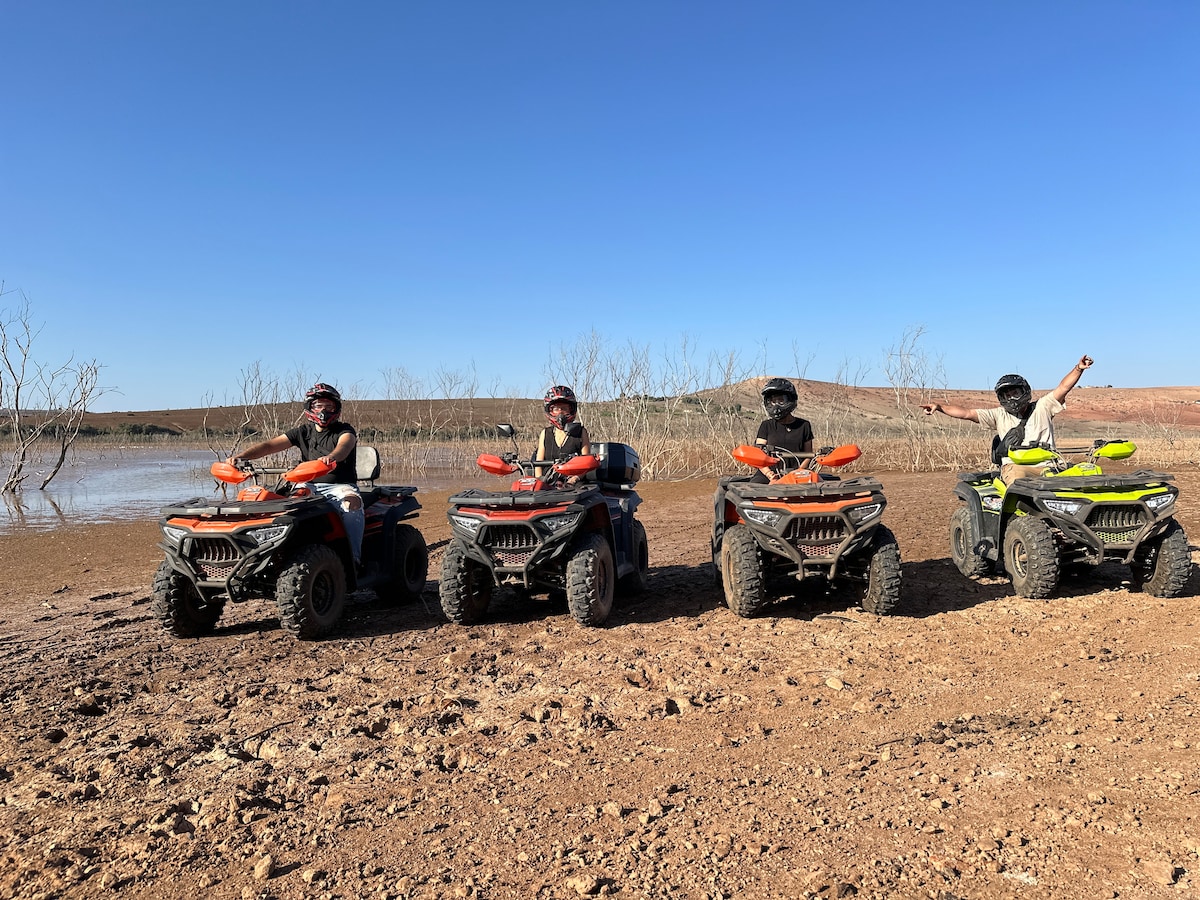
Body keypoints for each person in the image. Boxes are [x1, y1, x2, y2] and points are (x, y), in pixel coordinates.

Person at [226, 382, 365, 563]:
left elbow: (344, 446)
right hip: (306, 485)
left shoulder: (344, 430)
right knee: (275, 507)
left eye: (329, 406)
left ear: (336, 408)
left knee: (352, 504)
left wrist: (331, 457)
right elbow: (269, 446)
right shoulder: (303, 432)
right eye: (319, 405)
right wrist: (242, 457)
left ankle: (354, 559)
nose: (324, 410)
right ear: (310, 407)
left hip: (339, 486)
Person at [921, 355, 1094, 484]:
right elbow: (966, 413)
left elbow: (1063, 387)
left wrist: (1078, 369)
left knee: (1089, 475)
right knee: (1019, 483)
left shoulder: (1043, 406)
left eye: (1015, 393)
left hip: (1051, 466)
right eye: (1007, 395)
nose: (1012, 398)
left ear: (1024, 391)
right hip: (1017, 467)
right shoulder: (998, 415)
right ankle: (1020, 522)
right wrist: (940, 407)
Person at [751, 377, 814, 483]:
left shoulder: (804, 425)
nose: (776, 405)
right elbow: (758, 455)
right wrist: (770, 474)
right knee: (752, 489)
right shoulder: (766, 426)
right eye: (773, 401)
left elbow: (808, 455)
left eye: (781, 400)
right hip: (768, 474)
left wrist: (799, 472)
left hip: (798, 474)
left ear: (790, 399)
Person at [534, 385, 591, 485]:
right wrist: (540, 480)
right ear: (550, 411)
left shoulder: (581, 432)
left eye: (564, 408)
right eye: (556, 409)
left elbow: (586, 463)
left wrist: (575, 479)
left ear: (571, 409)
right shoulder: (545, 433)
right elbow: (538, 463)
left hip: (573, 485)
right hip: (548, 484)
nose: (560, 413)